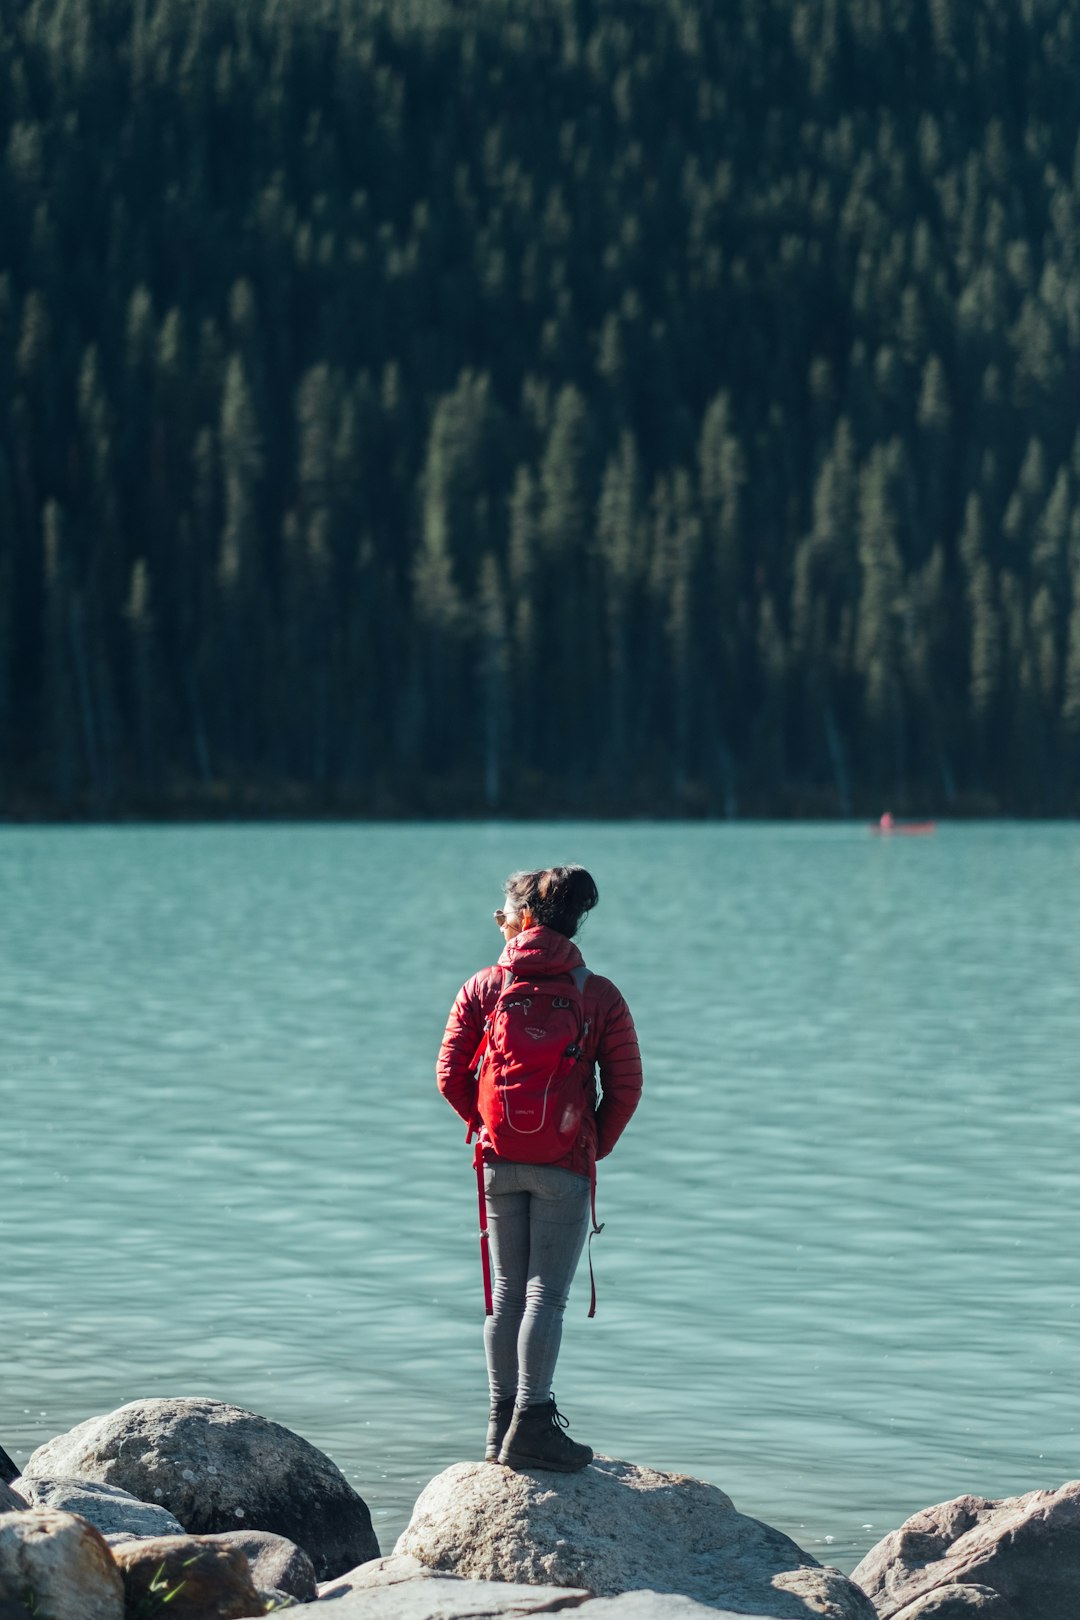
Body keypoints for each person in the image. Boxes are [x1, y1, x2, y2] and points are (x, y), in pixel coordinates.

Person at [436, 864, 642, 1472]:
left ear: (522, 918)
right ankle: (532, 1423)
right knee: (544, 1297)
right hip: (564, 1161)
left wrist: (484, 1127)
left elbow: (449, 1075)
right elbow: (626, 1085)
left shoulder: (483, 985)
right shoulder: (596, 992)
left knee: (505, 1294)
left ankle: (501, 1426)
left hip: (499, 1158)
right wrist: (591, 1144)